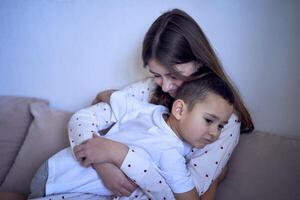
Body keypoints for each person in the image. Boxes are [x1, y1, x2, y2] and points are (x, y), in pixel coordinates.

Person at [88, 8, 254, 199]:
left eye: (174, 75)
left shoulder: (223, 122)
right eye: (157, 75)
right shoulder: (152, 88)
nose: (166, 86)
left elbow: (185, 194)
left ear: (199, 62)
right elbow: (102, 102)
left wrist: (120, 156)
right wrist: (103, 165)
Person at [30, 72, 235, 200]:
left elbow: (108, 95)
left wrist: (214, 176)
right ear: (180, 110)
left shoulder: (144, 110)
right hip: (61, 177)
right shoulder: (170, 154)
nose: (215, 133)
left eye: (221, 126)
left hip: (59, 171)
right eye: (209, 120)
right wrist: (215, 179)